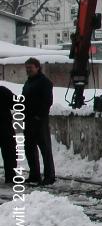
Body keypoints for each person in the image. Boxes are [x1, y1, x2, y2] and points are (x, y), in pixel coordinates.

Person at [22, 57, 54, 185]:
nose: (28, 70)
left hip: (39, 121)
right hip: (28, 120)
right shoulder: (28, 82)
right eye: (27, 68)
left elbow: (47, 101)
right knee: (29, 148)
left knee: (45, 149)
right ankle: (34, 174)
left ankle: (49, 176)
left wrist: (39, 116)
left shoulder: (44, 82)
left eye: (30, 68)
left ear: (37, 67)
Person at [0, 85, 15, 184]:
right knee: (9, 152)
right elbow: (15, 103)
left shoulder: (3, 91)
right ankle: (10, 177)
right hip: (5, 126)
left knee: (9, 152)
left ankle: (11, 177)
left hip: (5, 126)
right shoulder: (3, 91)